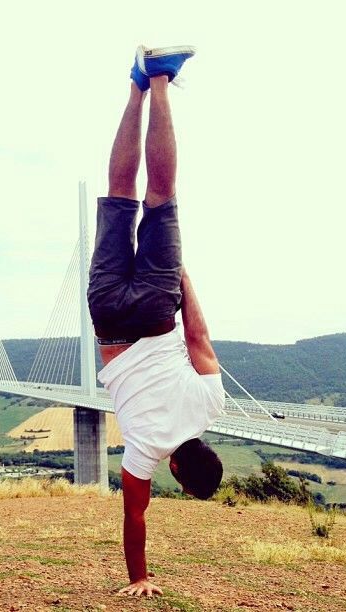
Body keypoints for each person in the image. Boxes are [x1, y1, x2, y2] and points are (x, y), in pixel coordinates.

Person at [87, 45, 226, 598]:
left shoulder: (211, 404)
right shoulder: (145, 453)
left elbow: (197, 336)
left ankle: (158, 78)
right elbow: (135, 517)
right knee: (119, 197)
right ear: (178, 472)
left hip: (156, 308)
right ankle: (134, 84)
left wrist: (181, 275)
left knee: (160, 197)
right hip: (109, 324)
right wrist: (140, 577)